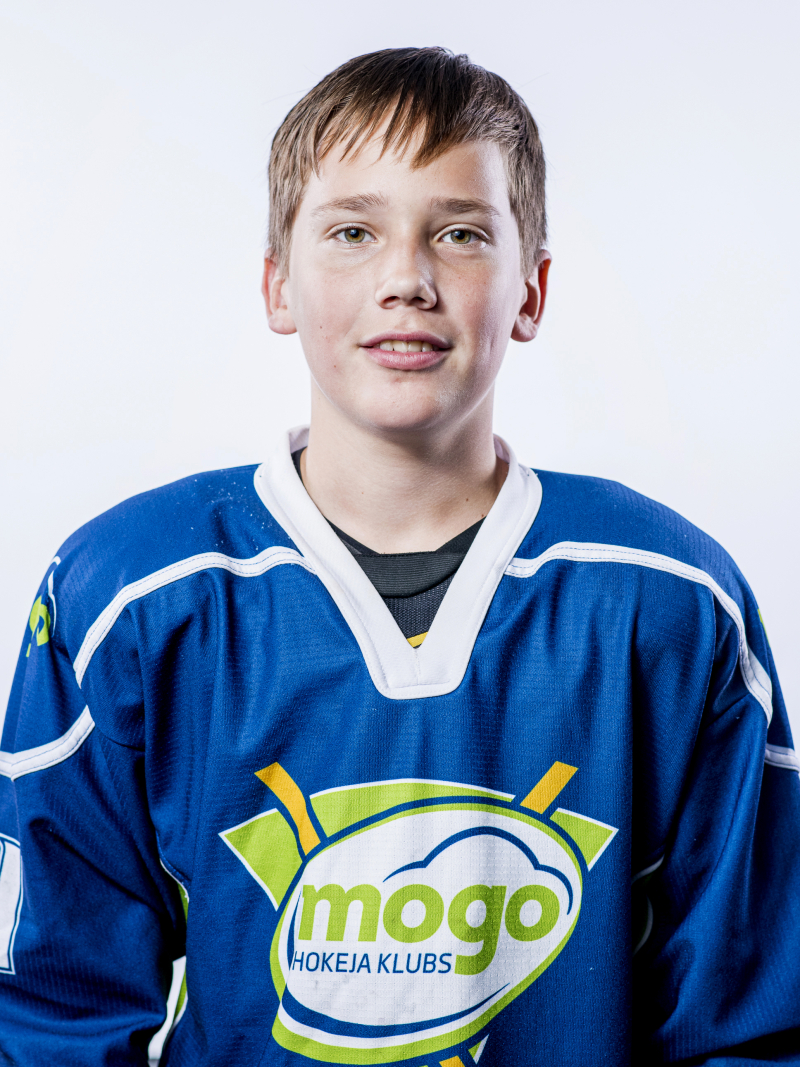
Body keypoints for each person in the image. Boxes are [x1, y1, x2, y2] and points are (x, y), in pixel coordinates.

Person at [1, 45, 798, 1067]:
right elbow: (52, 1012)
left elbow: (750, 1023)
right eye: (352, 232)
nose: (405, 280)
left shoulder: (666, 598)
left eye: (459, 232)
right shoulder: (129, 592)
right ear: (277, 284)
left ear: (530, 290)